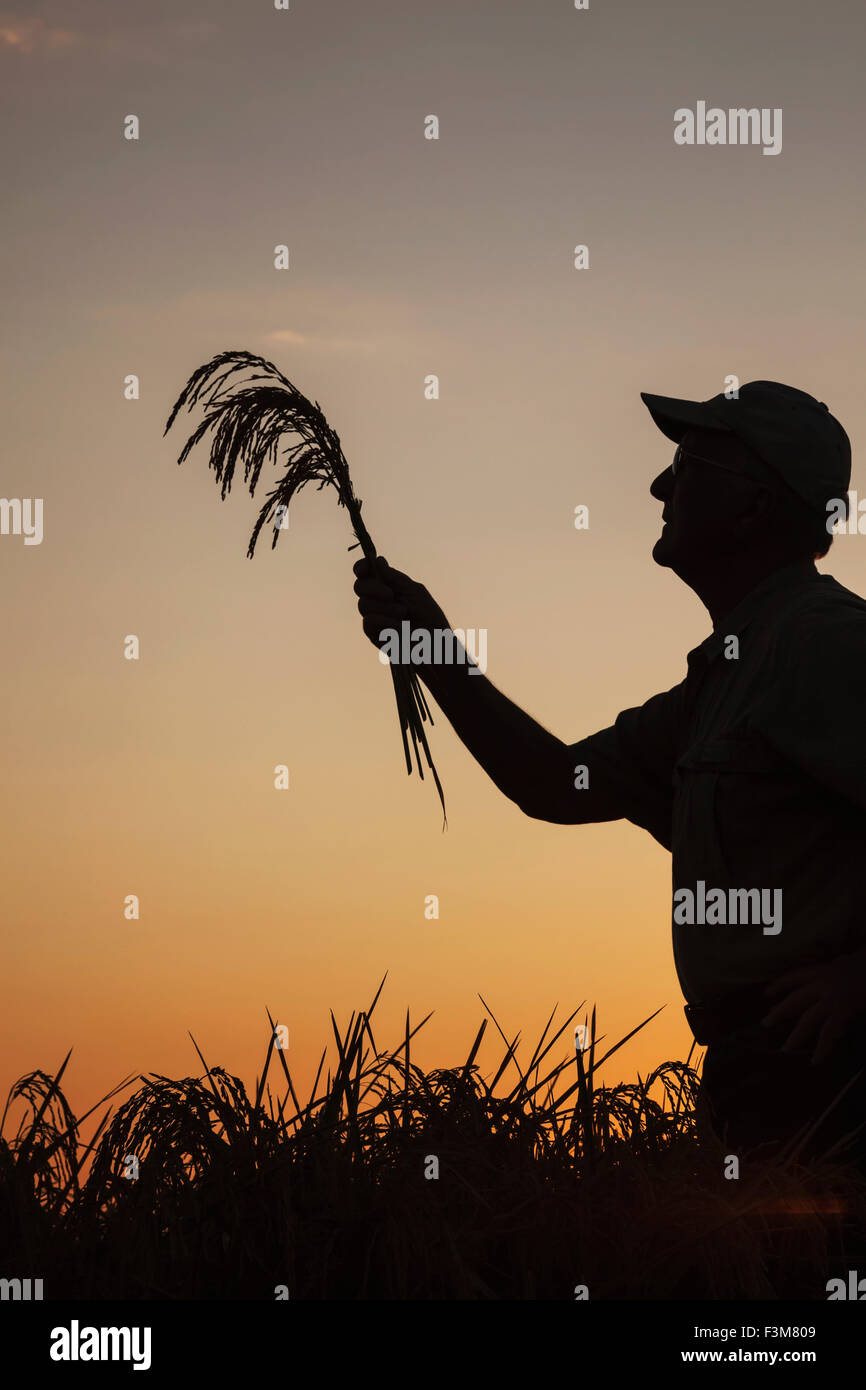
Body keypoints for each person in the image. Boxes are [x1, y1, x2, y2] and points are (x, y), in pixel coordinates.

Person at [354, 381, 866, 1163]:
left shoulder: (823, 647)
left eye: (687, 463)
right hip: (763, 1081)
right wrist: (433, 650)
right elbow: (557, 783)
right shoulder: (722, 678)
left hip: (837, 1081)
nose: (661, 485)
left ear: (754, 507)